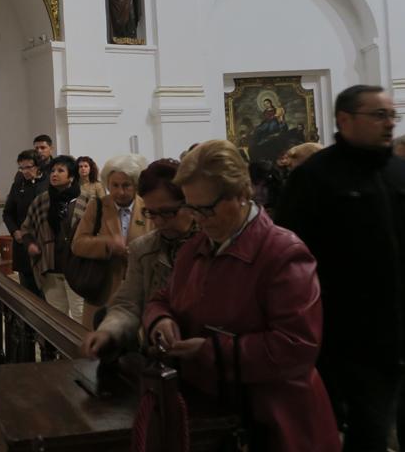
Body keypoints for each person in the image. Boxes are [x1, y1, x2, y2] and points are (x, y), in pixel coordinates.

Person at [144, 140, 339, 452]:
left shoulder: (282, 252)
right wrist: (161, 320)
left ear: (241, 193)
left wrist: (209, 351)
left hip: (275, 423)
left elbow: (297, 347)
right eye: (192, 208)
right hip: (214, 415)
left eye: (206, 208)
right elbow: (163, 297)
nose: (198, 218)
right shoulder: (196, 247)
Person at [276, 85, 405, 452]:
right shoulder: (315, 177)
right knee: (368, 432)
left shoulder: (399, 172)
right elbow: (293, 260)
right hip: (351, 339)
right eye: (379, 115)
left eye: (391, 115)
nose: (389, 123)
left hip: (401, 329)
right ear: (345, 119)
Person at [81, 159, 196, 358]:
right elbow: (129, 304)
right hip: (161, 357)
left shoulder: (212, 243)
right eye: (151, 213)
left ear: (192, 202)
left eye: (168, 212)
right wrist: (108, 331)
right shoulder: (144, 249)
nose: (158, 222)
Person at [71, 154, 153, 328]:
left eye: (126, 186)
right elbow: (77, 244)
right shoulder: (97, 206)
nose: (120, 192)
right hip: (102, 291)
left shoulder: (148, 208)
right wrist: (107, 244)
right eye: (114, 185)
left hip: (139, 294)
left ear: (136, 185)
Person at [19, 155, 86, 322]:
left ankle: (79, 348)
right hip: (50, 266)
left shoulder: (85, 201)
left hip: (76, 267)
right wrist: (30, 244)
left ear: (71, 176)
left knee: (80, 315)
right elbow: (26, 228)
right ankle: (59, 349)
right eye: (53, 171)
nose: (54, 174)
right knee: (56, 317)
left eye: (60, 171)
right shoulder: (41, 200)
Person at [2, 149, 47, 298]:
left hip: (44, 244)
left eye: (29, 167)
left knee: (47, 294)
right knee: (28, 293)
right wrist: (15, 232)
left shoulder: (48, 183)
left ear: (38, 166)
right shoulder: (18, 184)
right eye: (21, 168)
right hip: (23, 245)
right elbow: (8, 213)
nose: (25, 171)